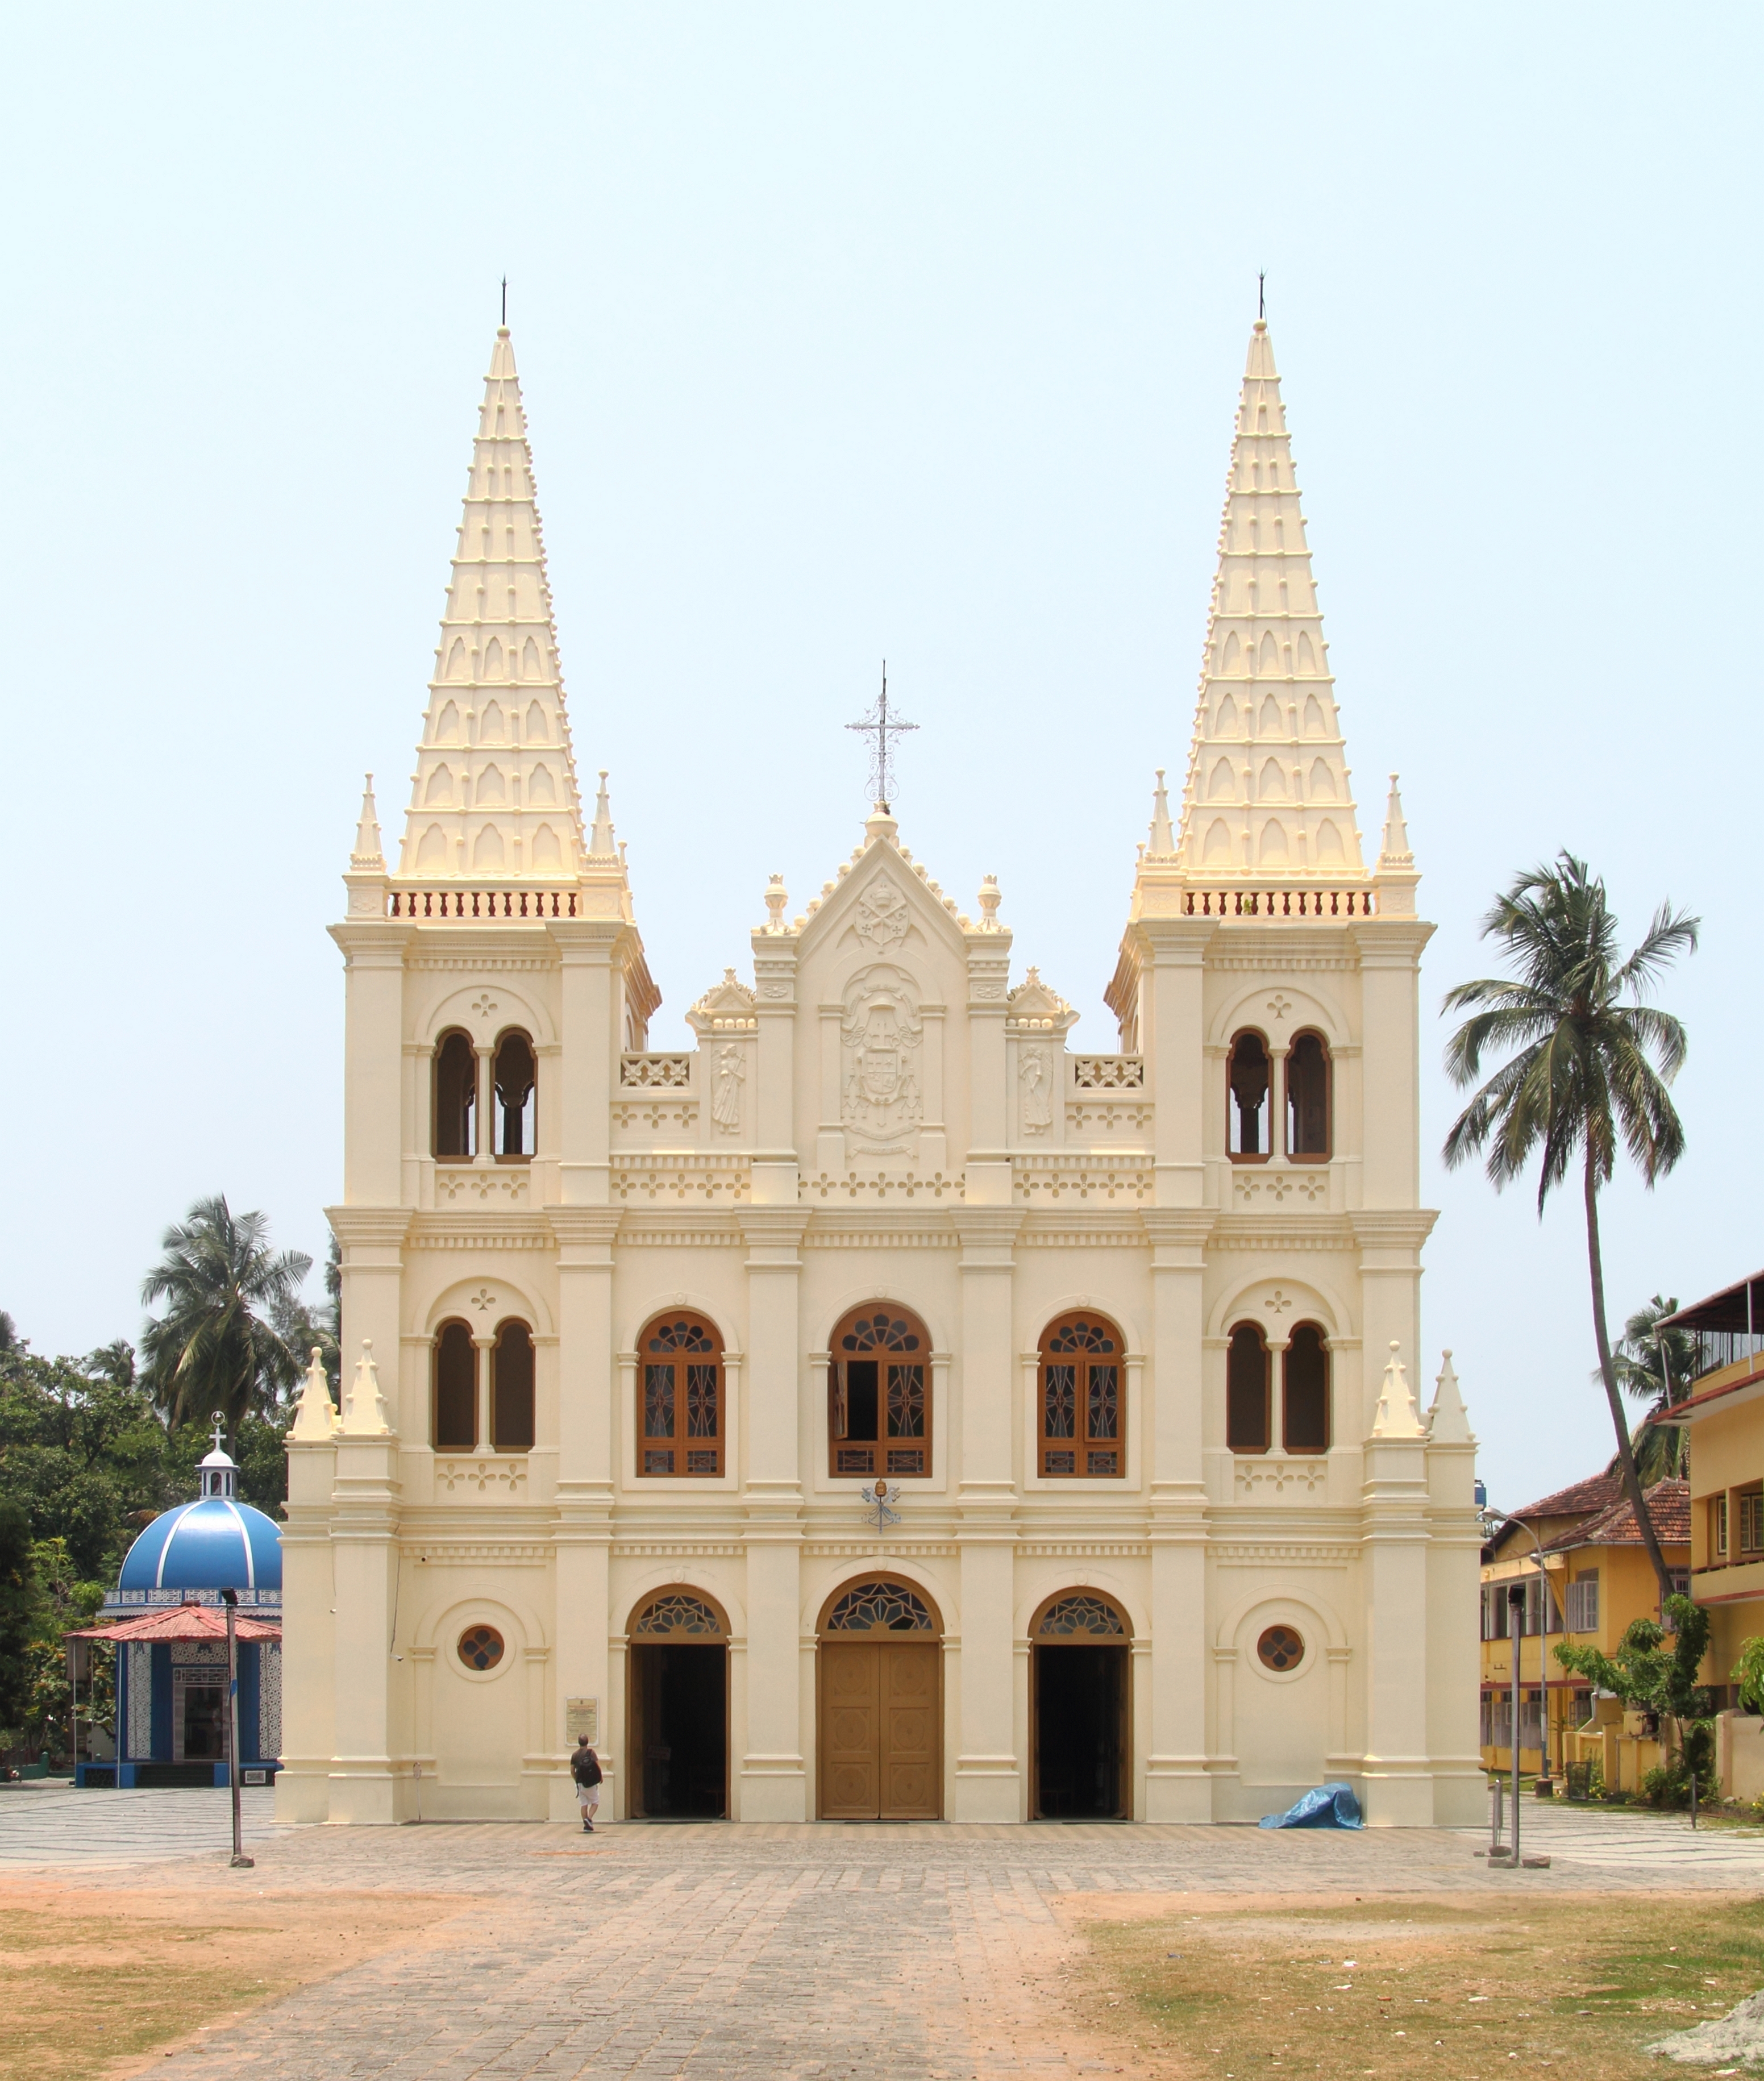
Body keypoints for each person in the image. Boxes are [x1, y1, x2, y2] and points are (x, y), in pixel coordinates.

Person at [570, 1736, 602, 1831]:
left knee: (584, 1804)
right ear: (587, 1742)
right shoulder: (591, 1753)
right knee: (595, 1802)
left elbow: (572, 1771)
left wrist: (577, 1779)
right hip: (591, 1783)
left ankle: (586, 1825)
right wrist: (600, 1777)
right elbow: (597, 1766)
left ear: (579, 1742)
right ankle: (589, 1819)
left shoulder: (575, 1755)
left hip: (580, 1783)